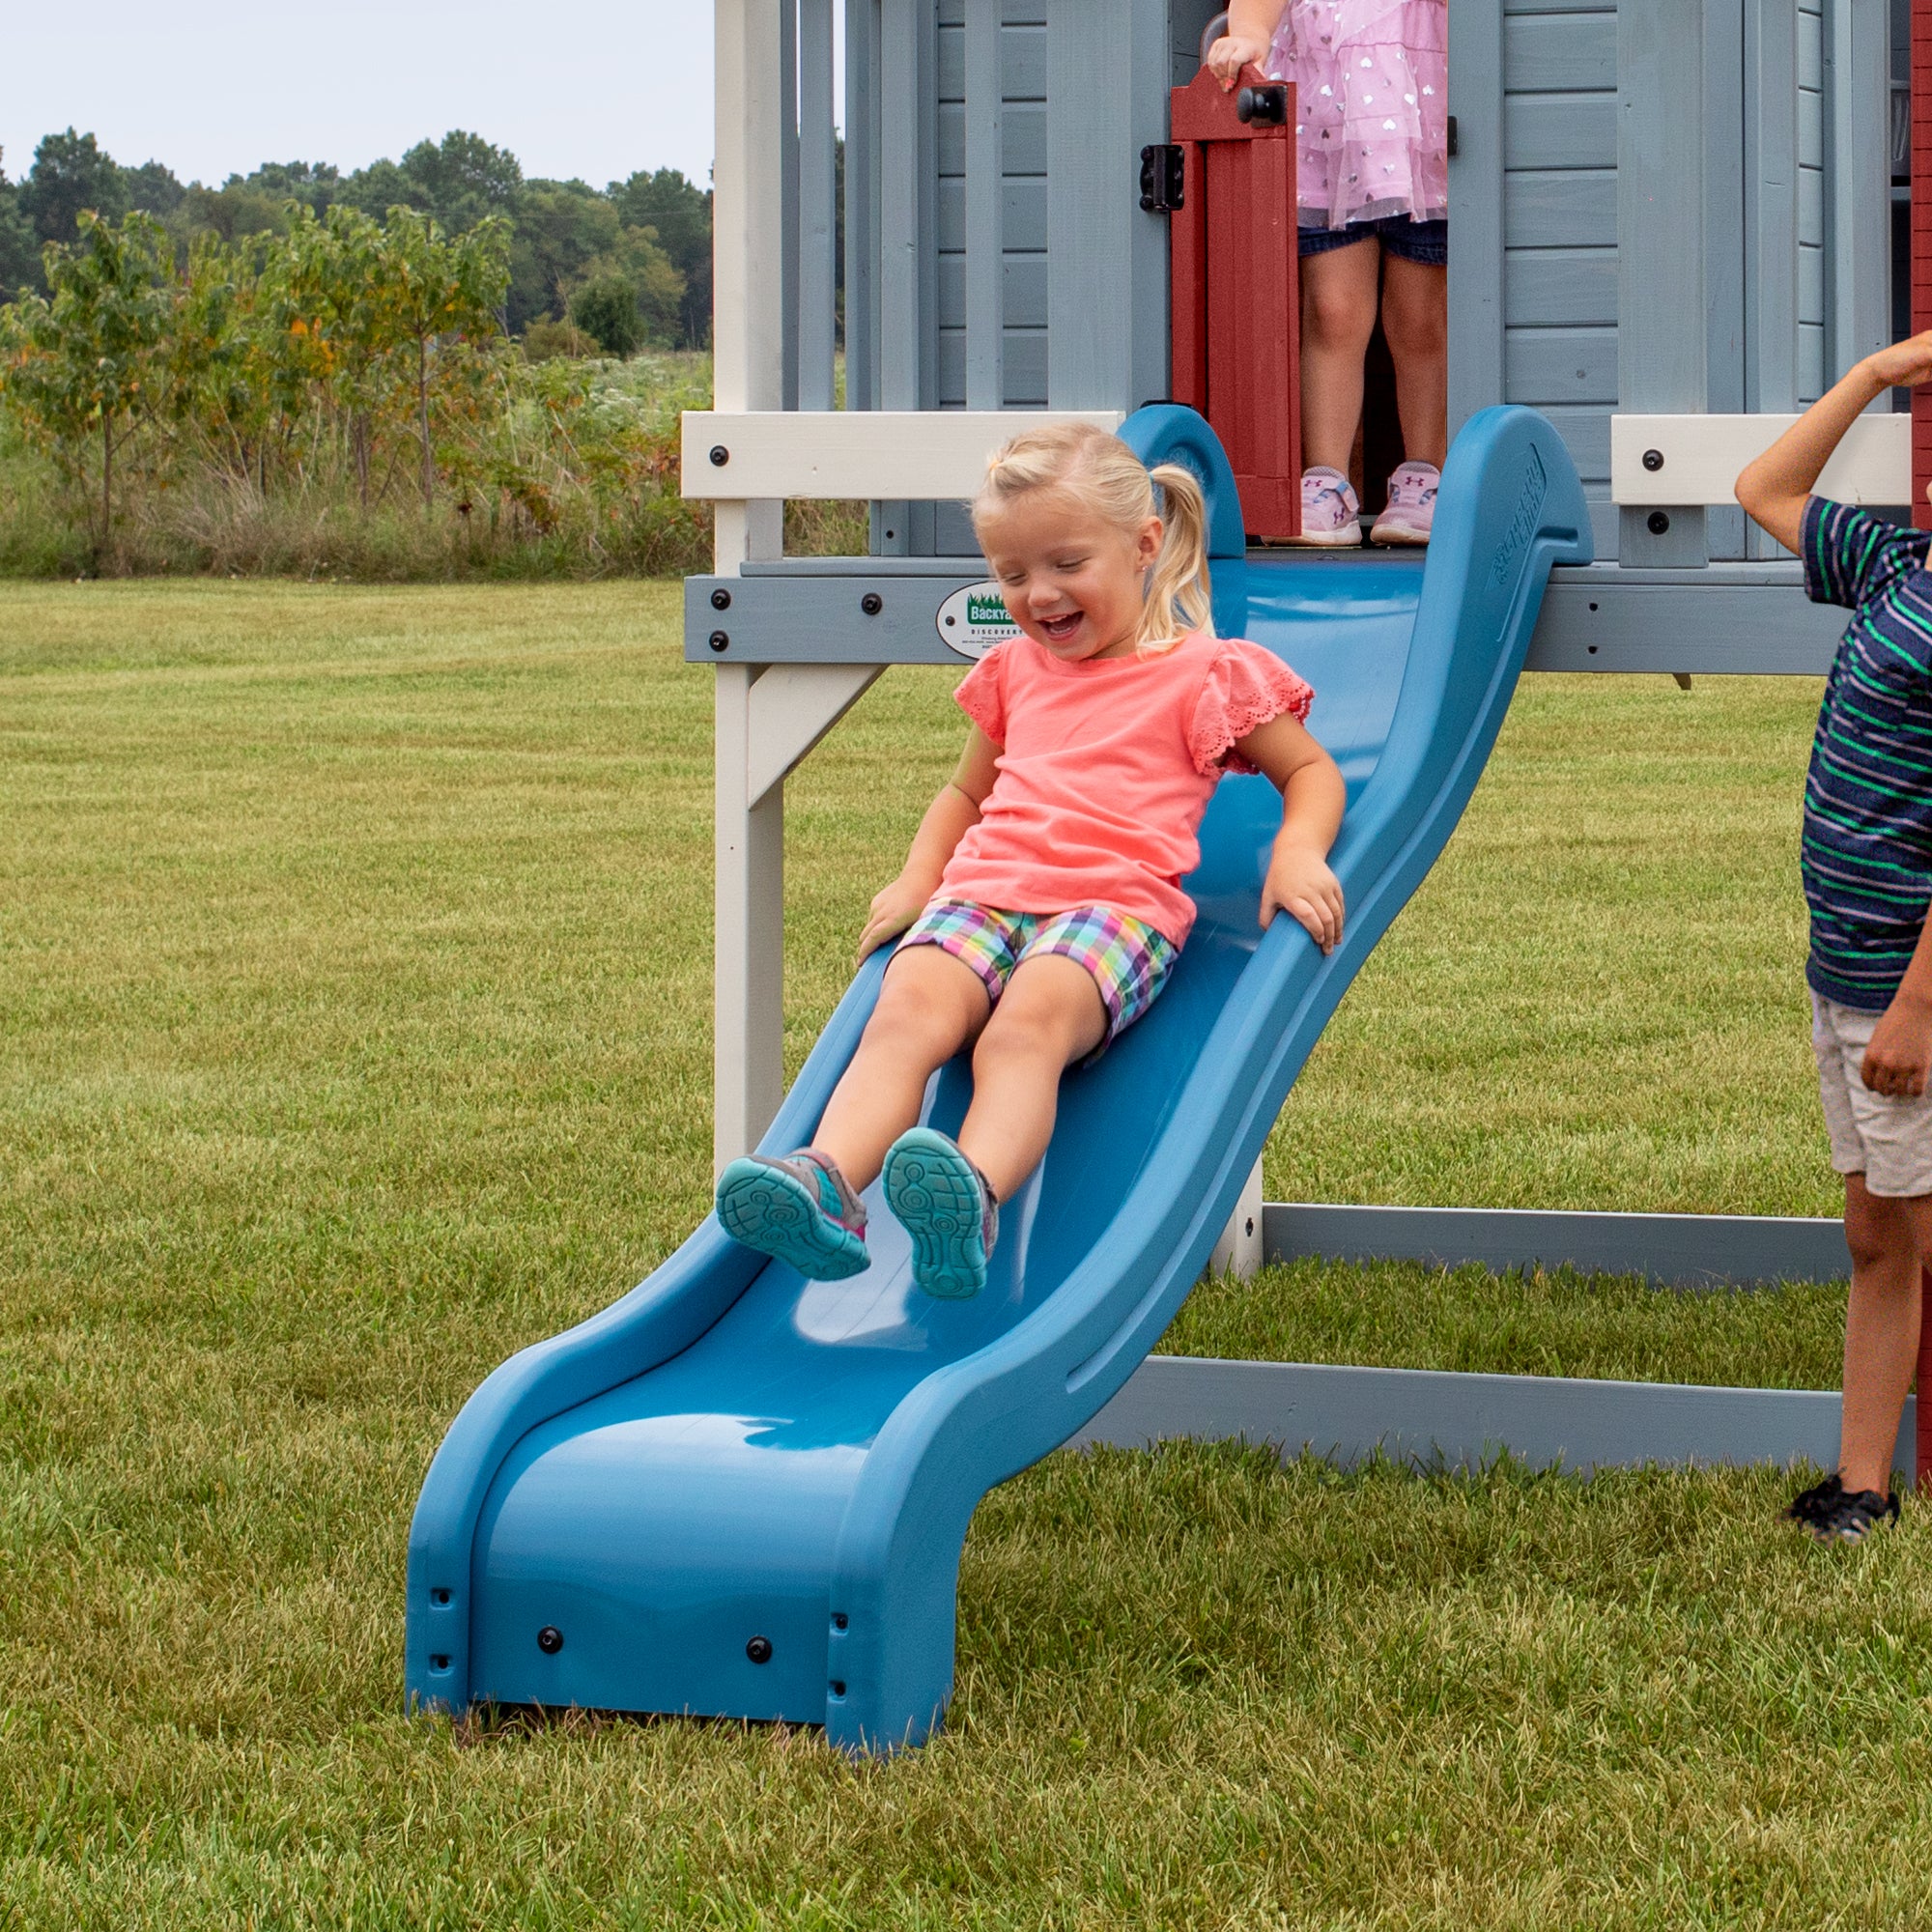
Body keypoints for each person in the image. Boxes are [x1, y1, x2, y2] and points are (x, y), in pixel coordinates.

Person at [715, 422, 1347, 1298]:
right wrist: (918, 877)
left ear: (1144, 546)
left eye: (1064, 564)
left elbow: (1310, 770)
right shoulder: (1015, 671)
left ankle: (968, 1193)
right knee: (900, 1020)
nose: (1038, 594)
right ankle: (827, 1183)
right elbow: (965, 797)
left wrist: (1298, 852)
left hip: (1110, 910)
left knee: (1021, 1033)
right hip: (983, 894)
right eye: (1012, 575)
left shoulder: (1205, 674)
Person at [1734, 329, 1932, 1544]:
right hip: (1843, 970)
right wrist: (1871, 375)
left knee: (1913, 1224)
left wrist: (1916, 1006)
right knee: (1874, 1230)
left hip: (1904, 987)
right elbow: (1763, 489)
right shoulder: (1897, 567)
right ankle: (1860, 1483)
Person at [1206, 0, 1449, 548]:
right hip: (1326, 115)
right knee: (1332, 311)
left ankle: (1425, 478)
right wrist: (1249, 35)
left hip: (1421, 110)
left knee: (1421, 317)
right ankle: (1326, 482)